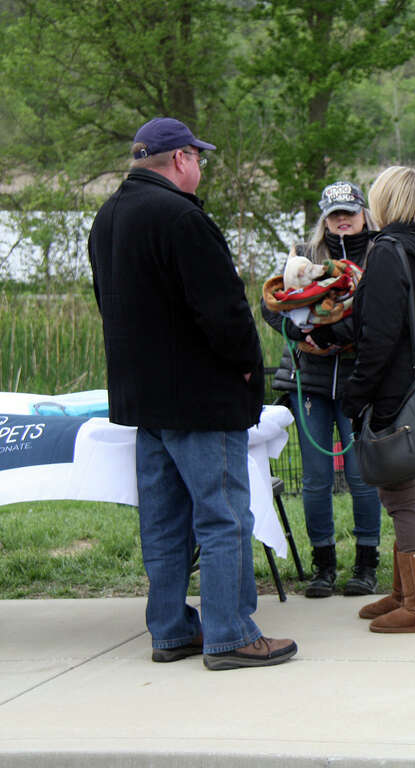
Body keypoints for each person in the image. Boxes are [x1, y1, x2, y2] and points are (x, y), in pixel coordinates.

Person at [88, 116, 296, 670]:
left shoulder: (107, 218)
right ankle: (230, 633)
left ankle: (171, 629)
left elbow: (108, 305)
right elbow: (224, 312)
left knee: (163, 520)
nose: (200, 166)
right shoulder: (182, 217)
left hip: (143, 399)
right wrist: (251, 372)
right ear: (179, 159)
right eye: (198, 158)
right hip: (201, 399)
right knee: (223, 515)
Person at [343, 166, 415, 634]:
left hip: (399, 390)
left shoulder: (389, 253)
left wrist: (358, 393)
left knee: (400, 495)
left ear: (385, 203)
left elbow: (379, 336)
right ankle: (404, 592)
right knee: (403, 488)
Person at [263, 182, 383, 599]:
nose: (342, 220)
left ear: (365, 213)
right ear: (324, 219)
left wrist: (338, 336)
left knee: (363, 475)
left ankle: (367, 561)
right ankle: (323, 564)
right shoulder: (304, 254)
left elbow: (383, 315)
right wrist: (298, 331)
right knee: (315, 478)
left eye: (349, 211)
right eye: (334, 214)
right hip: (309, 381)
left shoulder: (379, 252)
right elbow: (271, 305)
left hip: (359, 381)